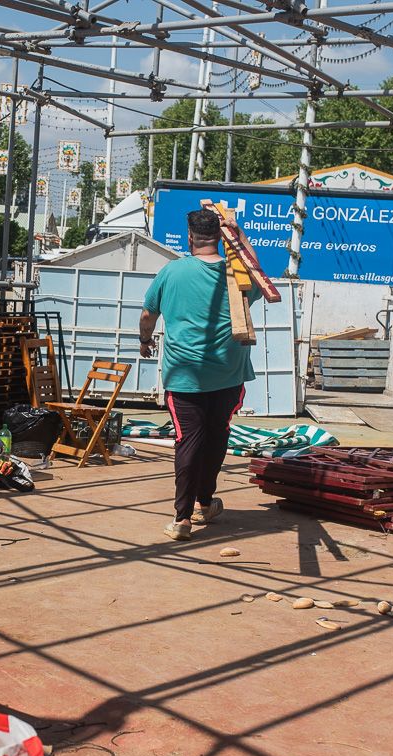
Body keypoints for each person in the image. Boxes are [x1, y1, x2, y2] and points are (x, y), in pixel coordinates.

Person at [139, 207, 255, 542]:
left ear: (189, 237)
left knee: (188, 440)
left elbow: (148, 316)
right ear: (221, 237)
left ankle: (182, 518)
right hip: (229, 374)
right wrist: (241, 235)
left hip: (184, 374)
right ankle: (205, 501)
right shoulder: (237, 275)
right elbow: (258, 273)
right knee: (217, 435)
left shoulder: (171, 272)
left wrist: (145, 340)